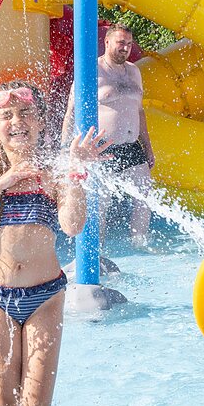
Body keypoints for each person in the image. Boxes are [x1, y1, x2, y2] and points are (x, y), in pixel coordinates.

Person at [0, 81, 109, 406]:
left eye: (26, 113)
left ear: (42, 121)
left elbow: (73, 225)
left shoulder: (56, 171)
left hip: (44, 297)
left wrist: (76, 172)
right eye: (6, 115)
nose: (17, 120)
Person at [61, 24, 155, 245]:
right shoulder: (92, 71)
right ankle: (97, 251)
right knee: (99, 204)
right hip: (102, 148)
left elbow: (139, 111)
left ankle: (138, 244)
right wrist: (66, 149)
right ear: (107, 42)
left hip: (131, 146)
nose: (125, 48)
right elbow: (71, 110)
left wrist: (148, 146)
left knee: (145, 198)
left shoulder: (134, 71)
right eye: (121, 43)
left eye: (129, 44)